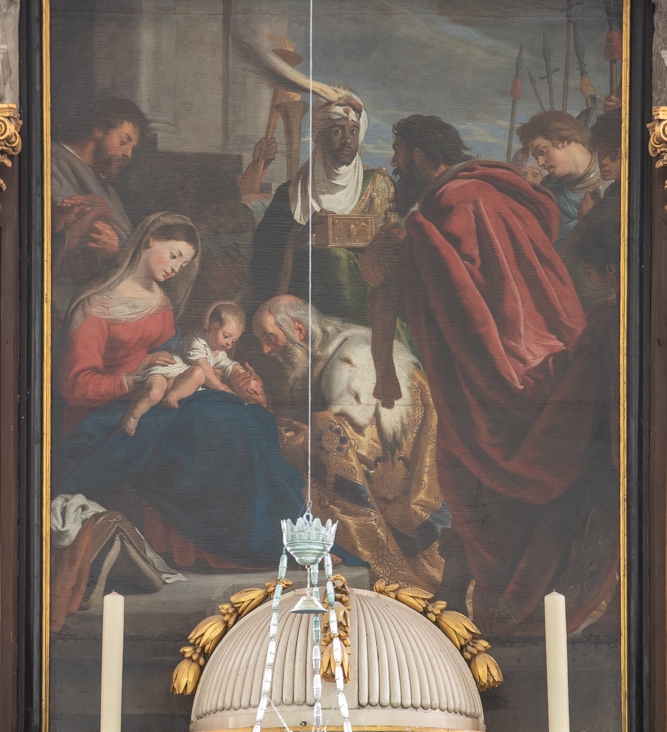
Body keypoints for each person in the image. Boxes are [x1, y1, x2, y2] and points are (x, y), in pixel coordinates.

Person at [361, 114, 618, 635]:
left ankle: (499, 598)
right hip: (548, 346)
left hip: (499, 362)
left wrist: (406, 249)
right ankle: (490, 595)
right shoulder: (498, 192)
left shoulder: (452, 204)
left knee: (473, 470)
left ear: (420, 153)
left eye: (399, 150)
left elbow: (463, 300)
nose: (394, 162)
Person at [57, 212, 305, 569]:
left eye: (184, 263)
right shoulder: (94, 304)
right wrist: (131, 379)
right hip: (109, 410)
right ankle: (230, 545)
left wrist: (231, 377)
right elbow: (74, 385)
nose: (176, 268)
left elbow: (178, 358)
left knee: (246, 416)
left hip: (162, 394)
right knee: (217, 423)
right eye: (173, 255)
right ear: (151, 240)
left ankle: (278, 537)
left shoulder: (161, 304)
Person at [252, 295, 448, 590]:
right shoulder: (325, 353)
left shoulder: (353, 357)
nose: (266, 350)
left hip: (399, 469)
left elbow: (365, 436)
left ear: (299, 330)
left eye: (270, 339)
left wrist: (306, 440)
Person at [249, 97, 394, 325]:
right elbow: (263, 250)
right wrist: (301, 234)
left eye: (353, 131)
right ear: (321, 136)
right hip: (305, 298)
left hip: (364, 286)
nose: (347, 140)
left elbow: (393, 242)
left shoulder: (378, 184)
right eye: (338, 131)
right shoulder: (291, 192)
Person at [52, 97, 151, 321]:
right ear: (98, 130)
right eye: (123, 141)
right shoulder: (53, 161)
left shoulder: (106, 187)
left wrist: (117, 249)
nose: (128, 154)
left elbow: (127, 240)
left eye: (132, 148)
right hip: (65, 298)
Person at [122, 301, 265, 436]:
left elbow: (230, 366)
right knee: (155, 393)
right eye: (226, 337)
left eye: (233, 341)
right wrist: (218, 386)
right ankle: (133, 416)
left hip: (178, 382)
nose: (229, 344)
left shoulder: (219, 352)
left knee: (198, 374)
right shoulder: (196, 341)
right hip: (164, 372)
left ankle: (173, 396)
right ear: (214, 327)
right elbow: (201, 364)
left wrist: (245, 377)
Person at [559, 108, 622, 311]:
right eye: (601, 153)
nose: (603, 161)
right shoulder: (611, 196)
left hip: (596, 302)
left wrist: (589, 217)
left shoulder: (618, 203)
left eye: (615, 156)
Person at [516, 110, 603, 246]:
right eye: (536, 157)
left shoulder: (616, 172)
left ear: (563, 140)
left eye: (542, 151)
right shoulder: (550, 194)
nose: (540, 162)